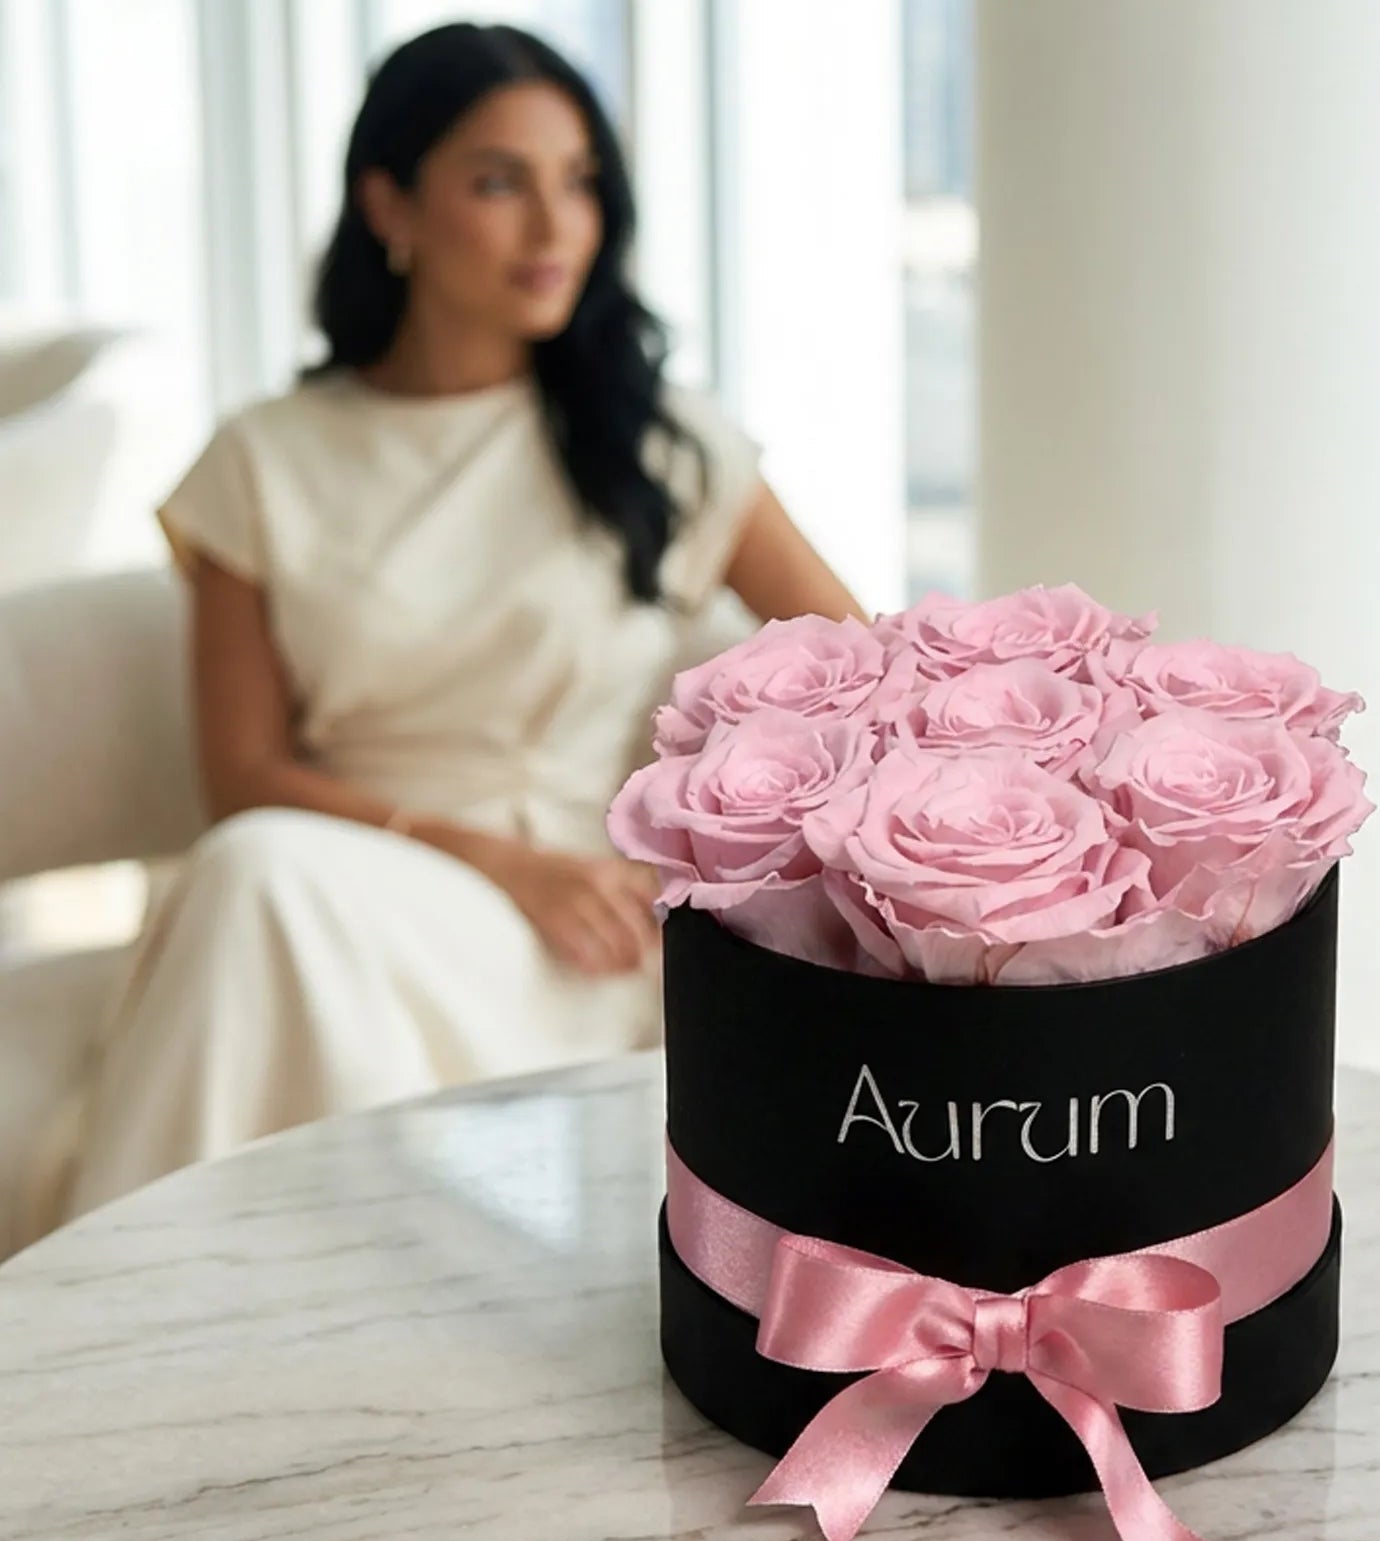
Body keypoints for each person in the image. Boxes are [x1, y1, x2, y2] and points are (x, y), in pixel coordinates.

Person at [26, 23, 862, 1230]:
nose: (555, 226)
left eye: (579, 181)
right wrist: (493, 861)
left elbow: (870, 673)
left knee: (259, 882)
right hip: (358, 884)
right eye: (499, 182)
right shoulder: (262, 460)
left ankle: (135, 1291)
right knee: (256, 870)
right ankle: (183, 1297)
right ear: (390, 204)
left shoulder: (660, 445)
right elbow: (243, 775)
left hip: (578, 932)